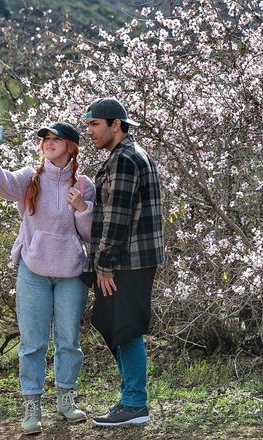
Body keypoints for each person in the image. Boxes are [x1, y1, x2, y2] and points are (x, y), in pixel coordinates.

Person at [0, 122, 95, 435]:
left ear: (71, 146)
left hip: (71, 272)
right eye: (45, 139)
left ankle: (66, 399)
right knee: (32, 343)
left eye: (56, 139)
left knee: (69, 341)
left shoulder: (83, 183)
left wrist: (82, 208)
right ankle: (32, 406)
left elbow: (90, 234)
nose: (49, 143)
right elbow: (1, 183)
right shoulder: (31, 177)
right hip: (33, 271)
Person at [82, 97, 164, 427]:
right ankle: (132, 399)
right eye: (88, 125)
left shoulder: (125, 159)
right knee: (111, 323)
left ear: (116, 125)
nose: (89, 131)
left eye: (94, 125)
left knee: (125, 329)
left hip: (126, 262)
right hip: (129, 260)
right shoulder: (128, 155)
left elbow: (117, 217)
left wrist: (104, 264)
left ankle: (134, 403)